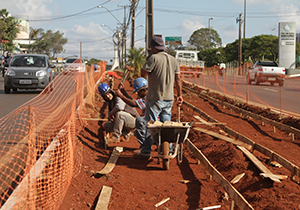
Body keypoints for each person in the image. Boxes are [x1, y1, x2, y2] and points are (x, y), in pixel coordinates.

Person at [134, 36, 183, 159]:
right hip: (169, 99)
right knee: (167, 125)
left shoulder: (153, 58)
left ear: (153, 48)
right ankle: (168, 149)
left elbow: (143, 74)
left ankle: (145, 152)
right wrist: (180, 95)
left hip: (155, 98)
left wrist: (147, 61)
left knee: (150, 125)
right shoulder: (173, 60)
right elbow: (178, 79)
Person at [115, 77, 148, 150]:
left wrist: (121, 96)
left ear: (144, 90)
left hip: (149, 121)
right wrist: (124, 92)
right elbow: (134, 101)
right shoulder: (149, 95)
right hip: (149, 119)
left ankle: (145, 148)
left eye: (138, 92)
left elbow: (133, 104)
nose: (138, 94)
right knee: (138, 129)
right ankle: (145, 146)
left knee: (139, 122)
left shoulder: (148, 97)